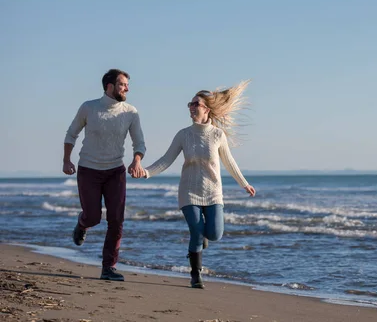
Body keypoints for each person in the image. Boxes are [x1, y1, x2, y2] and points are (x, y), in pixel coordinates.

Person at [139, 80, 256, 289]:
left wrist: (244, 184)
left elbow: (229, 162)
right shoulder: (184, 135)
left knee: (214, 234)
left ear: (206, 110)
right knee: (196, 232)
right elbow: (167, 159)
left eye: (196, 104)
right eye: (190, 104)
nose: (192, 107)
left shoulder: (218, 135)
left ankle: (203, 239)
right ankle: (196, 274)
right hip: (189, 192)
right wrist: (146, 172)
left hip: (213, 193)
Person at [63, 68, 146, 281]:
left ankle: (108, 267)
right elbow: (72, 133)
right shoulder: (89, 107)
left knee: (116, 220)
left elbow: (139, 143)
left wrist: (136, 160)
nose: (127, 88)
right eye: (122, 84)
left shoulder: (130, 112)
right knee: (92, 217)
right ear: (109, 86)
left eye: (127, 85)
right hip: (89, 169)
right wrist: (66, 159)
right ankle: (82, 225)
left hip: (115, 171)